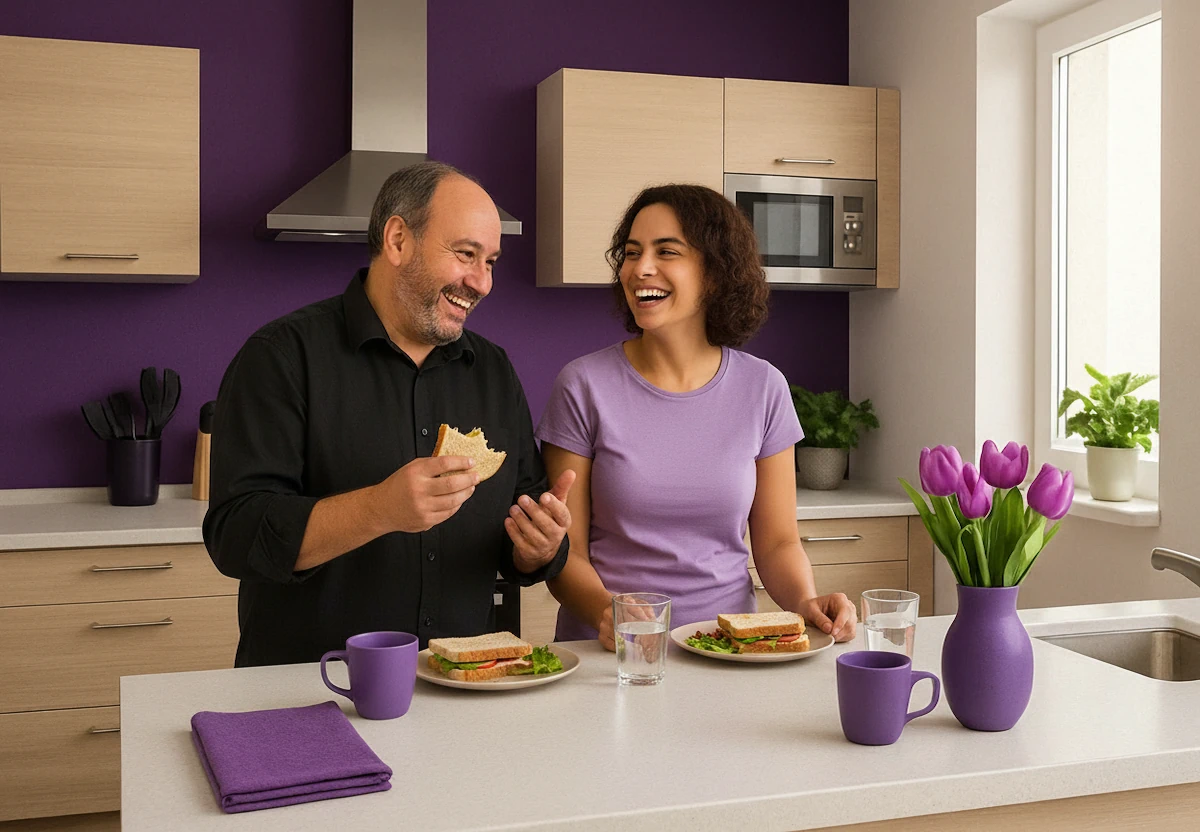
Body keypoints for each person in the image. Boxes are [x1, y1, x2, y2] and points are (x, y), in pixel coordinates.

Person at [204, 162, 574, 667]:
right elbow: (236, 536)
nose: (482, 282)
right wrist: (378, 509)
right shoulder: (282, 356)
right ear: (398, 240)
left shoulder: (492, 371)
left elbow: (519, 517)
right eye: (466, 254)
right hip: (314, 685)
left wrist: (538, 548)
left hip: (461, 687)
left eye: (490, 261)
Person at [536, 184, 856, 650]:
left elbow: (777, 543)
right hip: (615, 655)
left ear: (715, 272)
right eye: (631, 252)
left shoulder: (763, 387)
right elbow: (564, 554)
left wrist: (805, 601)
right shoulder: (583, 386)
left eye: (667, 251)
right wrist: (607, 612)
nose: (640, 268)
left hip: (726, 649)